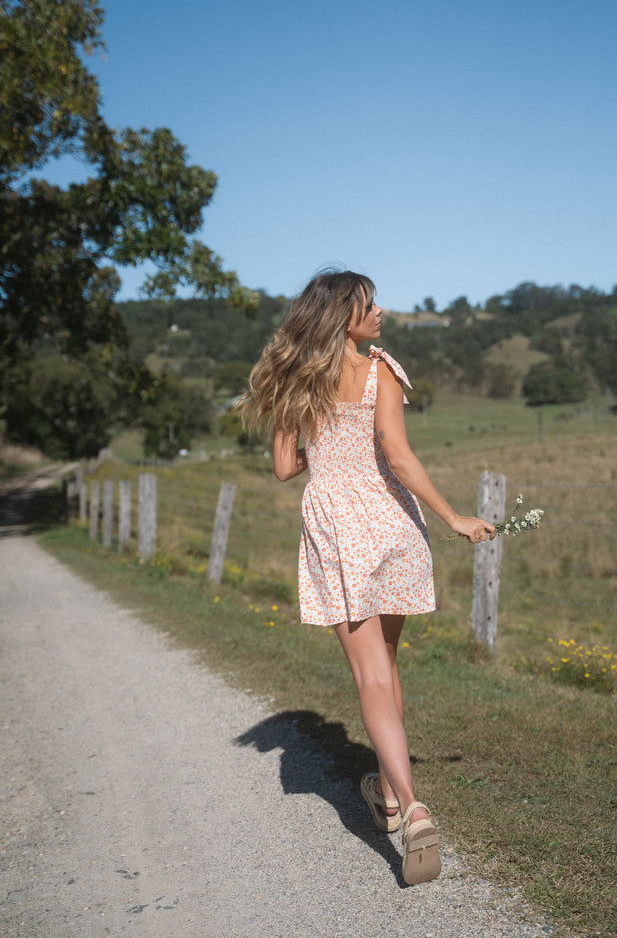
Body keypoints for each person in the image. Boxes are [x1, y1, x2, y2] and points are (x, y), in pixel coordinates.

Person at [241, 269, 495, 886]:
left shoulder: (293, 378)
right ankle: (386, 790)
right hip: (395, 525)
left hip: (339, 529)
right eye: (369, 304)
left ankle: (410, 808)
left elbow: (281, 468)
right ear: (341, 317)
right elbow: (398, 455)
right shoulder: (381, 369)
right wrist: (453, 517)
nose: (380, 312)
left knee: (369, 673)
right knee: (388, 664)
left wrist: (321, 446)